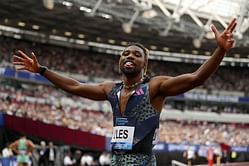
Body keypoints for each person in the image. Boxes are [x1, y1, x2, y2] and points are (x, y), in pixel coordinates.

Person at [12, 18, 237, 165]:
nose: (129, 55)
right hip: (116, 161)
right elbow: (76, 86)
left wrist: (220, 50)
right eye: (125, 53)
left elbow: (196, 78)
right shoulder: (112, 90)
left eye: (136, 54)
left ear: (145, 65)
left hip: (143, 162)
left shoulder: (155, 88)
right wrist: (42, 70)